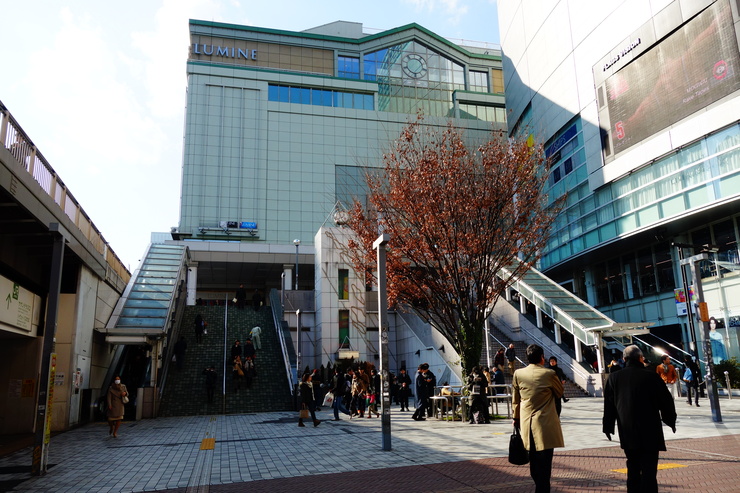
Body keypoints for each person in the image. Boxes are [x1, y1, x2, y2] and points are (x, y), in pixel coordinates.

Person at [603, 345, 677, 493]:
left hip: (627, 430)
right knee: (649, 470)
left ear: (624, 359)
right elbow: (666, 401)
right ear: (641, 358)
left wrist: (608, 426)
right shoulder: (651, 376)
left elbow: (609, 405)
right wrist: (670, 420)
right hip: (650, 429)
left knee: (633, 467)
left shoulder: (614, 378)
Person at [512, 344, 564, 493]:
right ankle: (542, 489)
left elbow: (516, 400)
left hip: (527, 423)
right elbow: (559, 392)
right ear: (542, 358)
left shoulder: (518, 374)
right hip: (545, 424)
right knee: (545, 463)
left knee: (533, 461)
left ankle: (539, 487)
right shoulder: (549, 374)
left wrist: (516, 418)